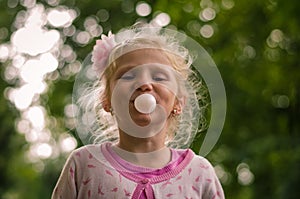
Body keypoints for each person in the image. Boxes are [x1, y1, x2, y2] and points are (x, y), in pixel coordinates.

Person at [52, 23, 225, 199]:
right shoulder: (83, 164)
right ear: (106, 100)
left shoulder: (200, 173)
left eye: (158, 77)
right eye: (128, 76)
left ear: (178, 103)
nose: (144, 84)